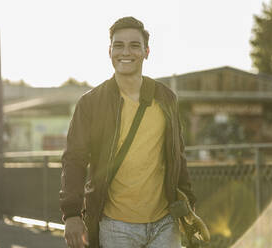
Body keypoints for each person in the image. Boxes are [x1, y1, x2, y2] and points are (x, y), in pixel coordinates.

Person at [59, 16, 196, 248]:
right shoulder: (91, 103)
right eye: (119, 45)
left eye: (135, 45)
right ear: (109, 51)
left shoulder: (165, 98)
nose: (126, 52)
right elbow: (74, 159)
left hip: (166, 222)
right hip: (115, 225)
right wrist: (72, 214)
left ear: (146, 52)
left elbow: (177, 155)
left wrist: (189, 204)